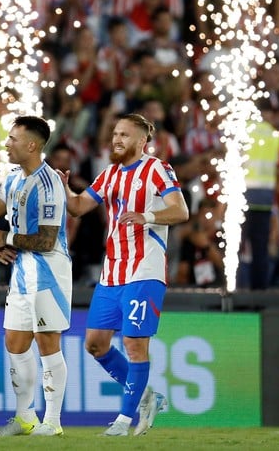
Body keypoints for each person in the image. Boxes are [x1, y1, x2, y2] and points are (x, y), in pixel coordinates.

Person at [60, 113, 189, 436]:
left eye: (125, 135)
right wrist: (63, 188)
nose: (117, 140)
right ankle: (147, 396)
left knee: (134, 343)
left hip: (144, 269)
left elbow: (180, 210)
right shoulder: (110, 174)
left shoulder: (157, 169)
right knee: (95, 344)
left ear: (142, 141)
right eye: (115, 134)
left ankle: (123, 420)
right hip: (112, 272)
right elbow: (78, 207)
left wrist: (146, 216)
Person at [0, 116, 71, 437]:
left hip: (50, 273)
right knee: (15, 342)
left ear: (32, 145)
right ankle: (25, 417)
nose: (7, 144)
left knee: (48, 344)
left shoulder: (49, 185)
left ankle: (53, 422)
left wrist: (3, 239)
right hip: (22, 273)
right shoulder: (14, 178)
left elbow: (47, 240)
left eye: (14, 139)